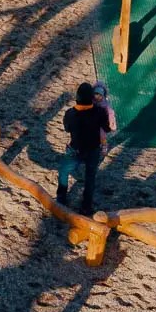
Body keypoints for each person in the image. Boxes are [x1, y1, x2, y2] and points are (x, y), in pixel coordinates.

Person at [60, 81, 113, 214]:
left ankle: (61, 199)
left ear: (77, 97)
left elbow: (67, 129)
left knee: (64, 172)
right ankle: (86, 206)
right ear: (92, 98)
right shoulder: (100, 112)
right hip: (93, 149)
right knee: (90, 177)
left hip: (75, 149)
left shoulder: (70, 113)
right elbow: (107, 128)